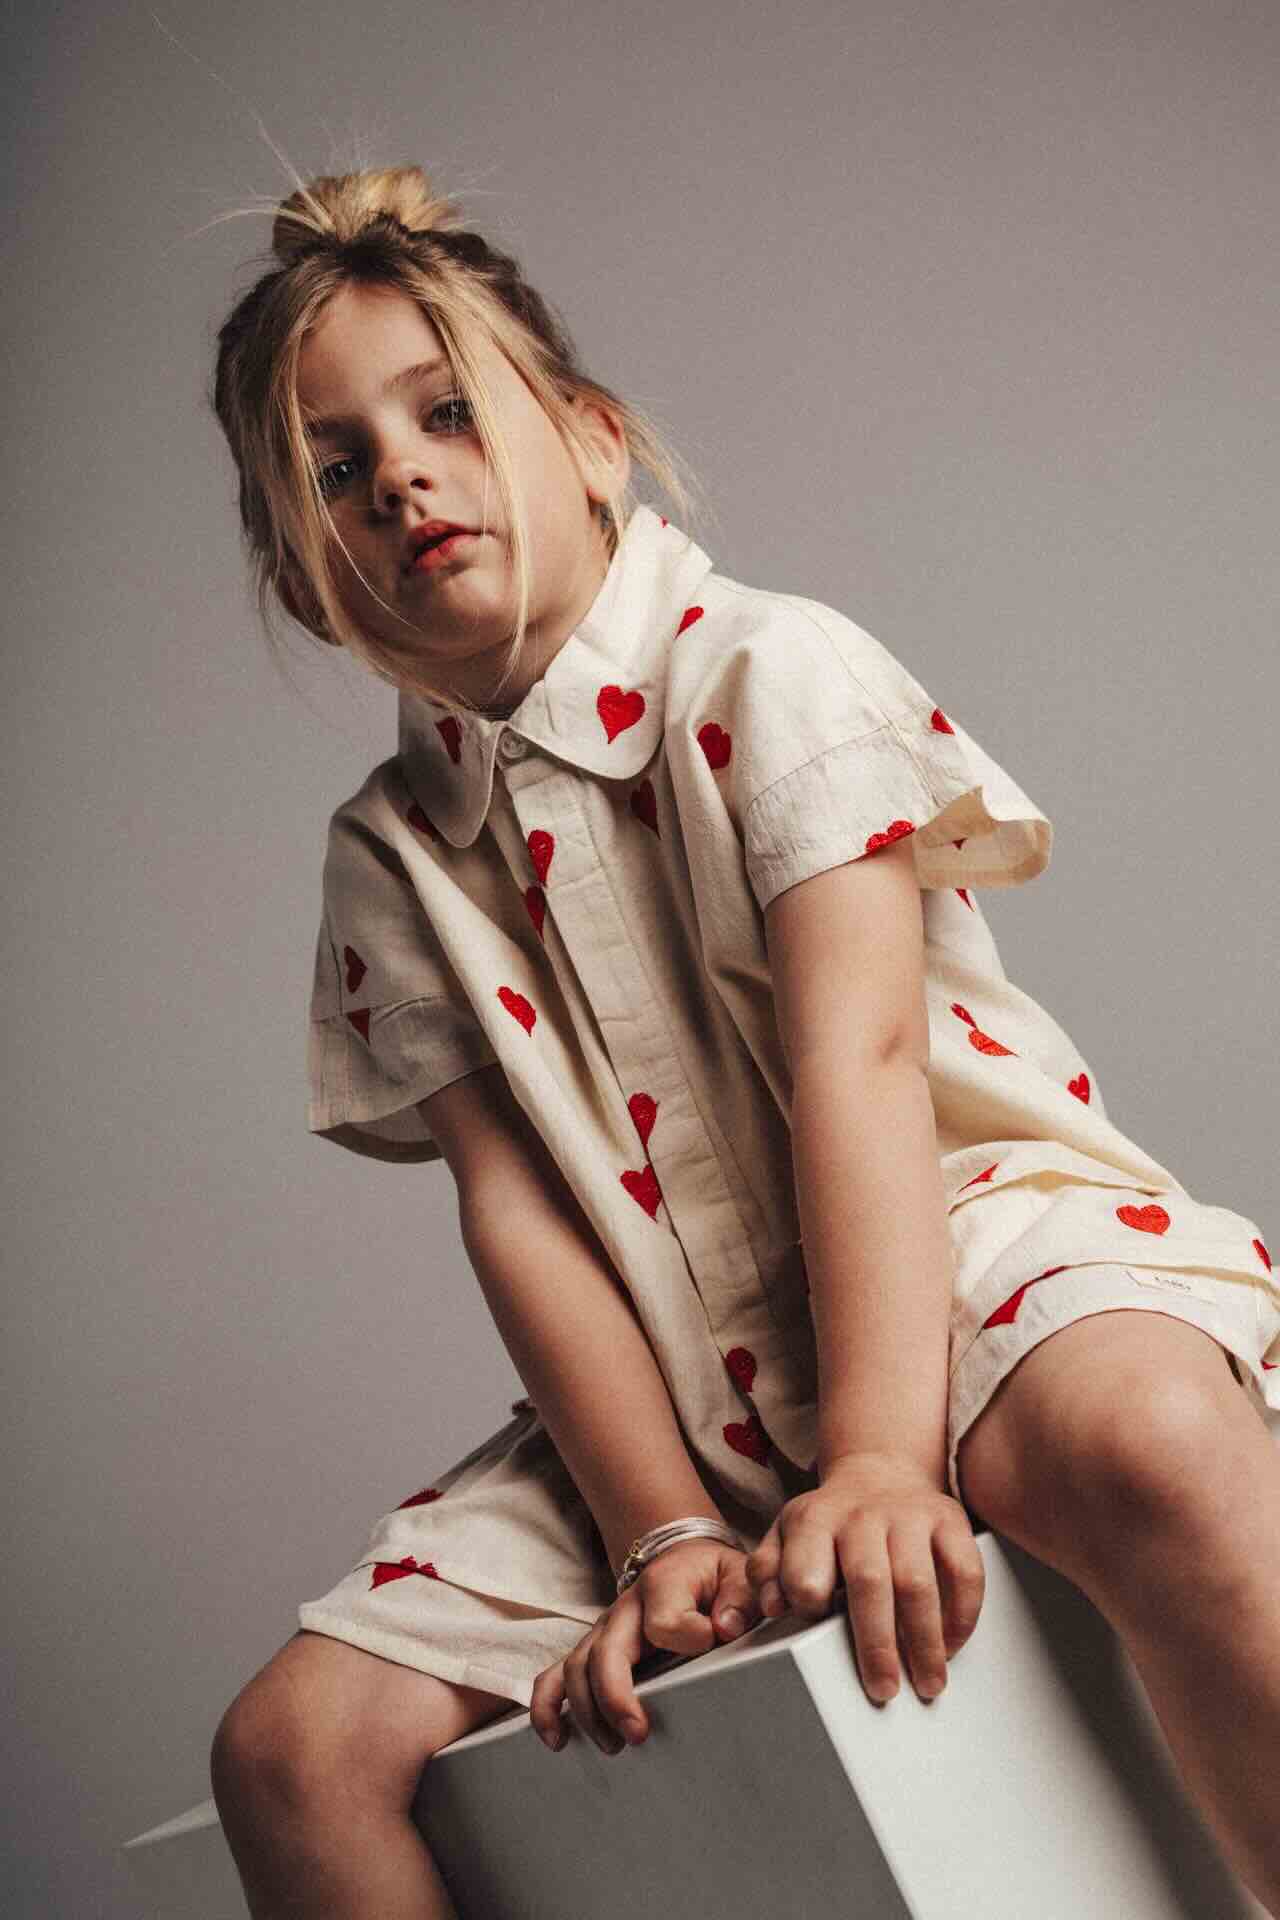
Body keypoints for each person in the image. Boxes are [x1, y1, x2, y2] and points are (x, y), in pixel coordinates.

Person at [205, 163, 1280, 1920]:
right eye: (332, 470)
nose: (398, 477)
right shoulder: (388, 859)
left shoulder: (773, 670)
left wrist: (880, 1460)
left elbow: (863, 1062)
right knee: (289, 1757)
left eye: (448, 414)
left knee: (1152, 1438)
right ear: (311, 582)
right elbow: (520, 1215)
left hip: (955, 1254)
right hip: (664, 1372)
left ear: (594, 441)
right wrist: (667, 1529)